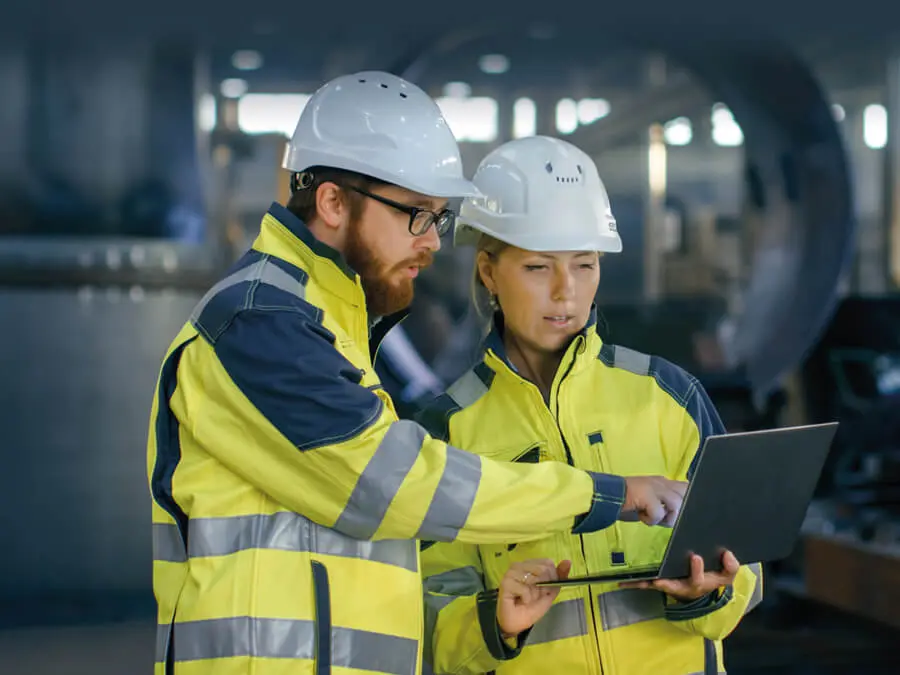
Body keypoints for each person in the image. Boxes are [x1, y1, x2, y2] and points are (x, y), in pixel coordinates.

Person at [146, 72, 691, 675]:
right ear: (332, 202)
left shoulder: (328, 323)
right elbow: (392, 483)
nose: (432, 242)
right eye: (416, 215)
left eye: (437, 217)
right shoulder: (259, 321)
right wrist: (603, 494)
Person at [417, 135, 764, 675]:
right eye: (538, 267)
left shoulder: (670, 397)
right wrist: (495, 623)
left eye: (584, 265)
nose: (566, 292)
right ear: (488, 270)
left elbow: (747, 570)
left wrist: (706, 591)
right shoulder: (446, 433)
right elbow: (428, 627)